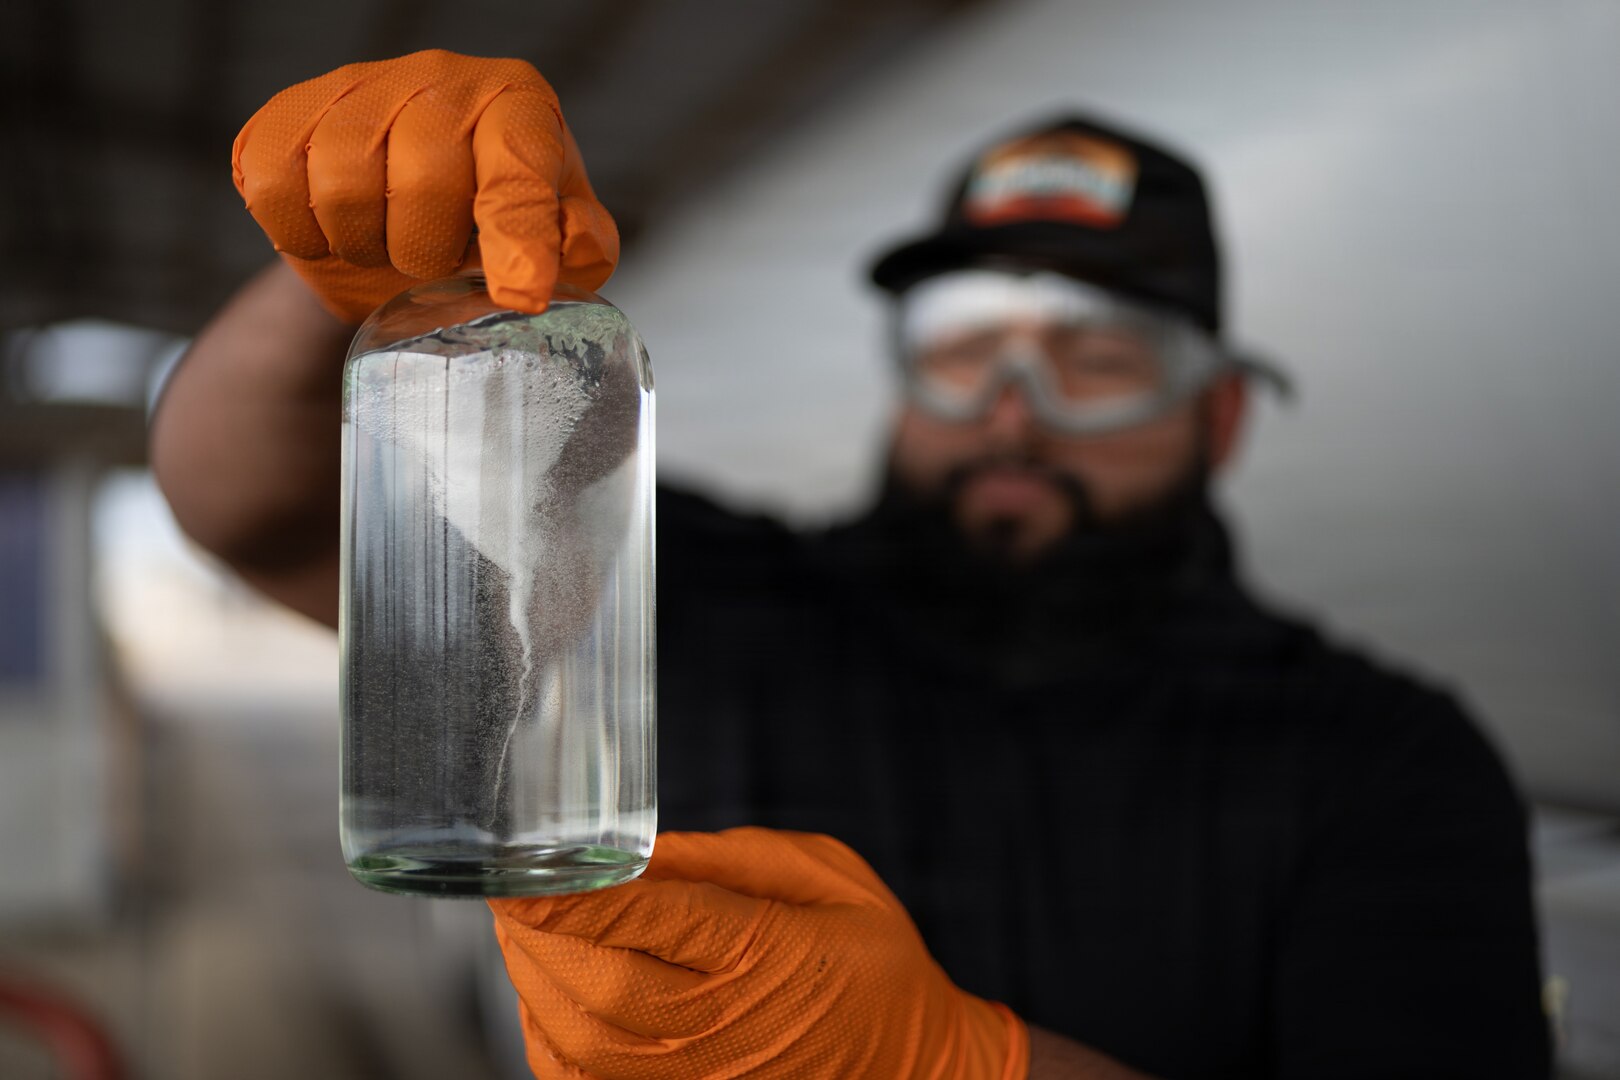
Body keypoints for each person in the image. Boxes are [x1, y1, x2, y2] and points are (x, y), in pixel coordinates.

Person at [150, 51, 1550, 1079]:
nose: (1015, 407)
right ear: (898, 386)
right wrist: (349, 287)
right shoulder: (704, 592)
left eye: (1101, 360)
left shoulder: (1382, 759)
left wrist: (963, 1068)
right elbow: (259, 514)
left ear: (1219, 412)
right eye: (962, 348)